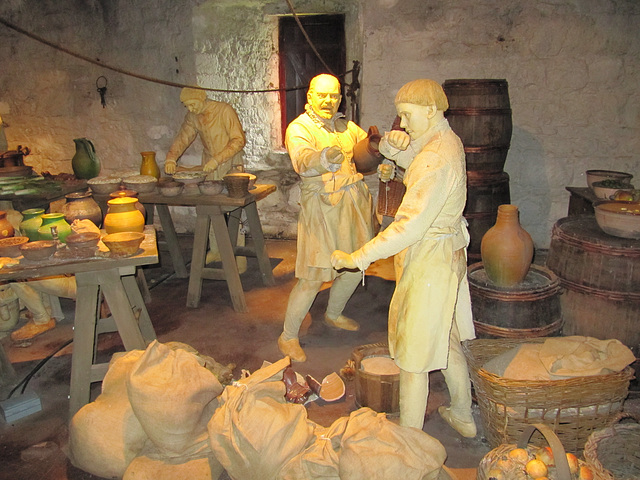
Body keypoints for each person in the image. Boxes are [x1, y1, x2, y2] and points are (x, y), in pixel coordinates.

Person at [330, 79, 477, 437]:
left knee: (413, 355)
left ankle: (408, 439)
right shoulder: (445, 140)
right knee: (446, 337)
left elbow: (408, 226)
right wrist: (396, 153)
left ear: (430, 110)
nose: (403, 123)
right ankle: (462, 413)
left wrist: (358, 257)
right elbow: (419, 163)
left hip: (431, 260)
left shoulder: (436, 158)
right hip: (447, 250)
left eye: (407, 115)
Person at [277, 74, 375, 363]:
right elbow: (302, 159)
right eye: (322, 96)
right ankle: (287, 336)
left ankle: (333, 313)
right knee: (312, 277)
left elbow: (366, 149)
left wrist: (382, 153)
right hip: (321, 207)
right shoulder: (300, 128)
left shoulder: (346, 127)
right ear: (310, 97)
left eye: (333, 96)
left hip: (352, 205)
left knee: (355, 265)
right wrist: (322, 159)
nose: (328, 101)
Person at [164, 87, 247, 265]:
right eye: (187, 106)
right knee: (210, 205)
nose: (191, 109)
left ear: (201, 98)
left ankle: (237, 255)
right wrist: (171, 158)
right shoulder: (193, 116)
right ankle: (216, 250)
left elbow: (238, 140)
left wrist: (217, 160)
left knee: (233, 209)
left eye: (192, 104)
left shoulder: (224, 110)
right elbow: (183, 138)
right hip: (210, 164)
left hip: (230, 163)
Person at [9, 276, 77, 341]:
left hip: (77, 282)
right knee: (31, 273)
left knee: (18, 277)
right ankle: (46, 314)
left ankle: (41, 319)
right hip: (75, 277)